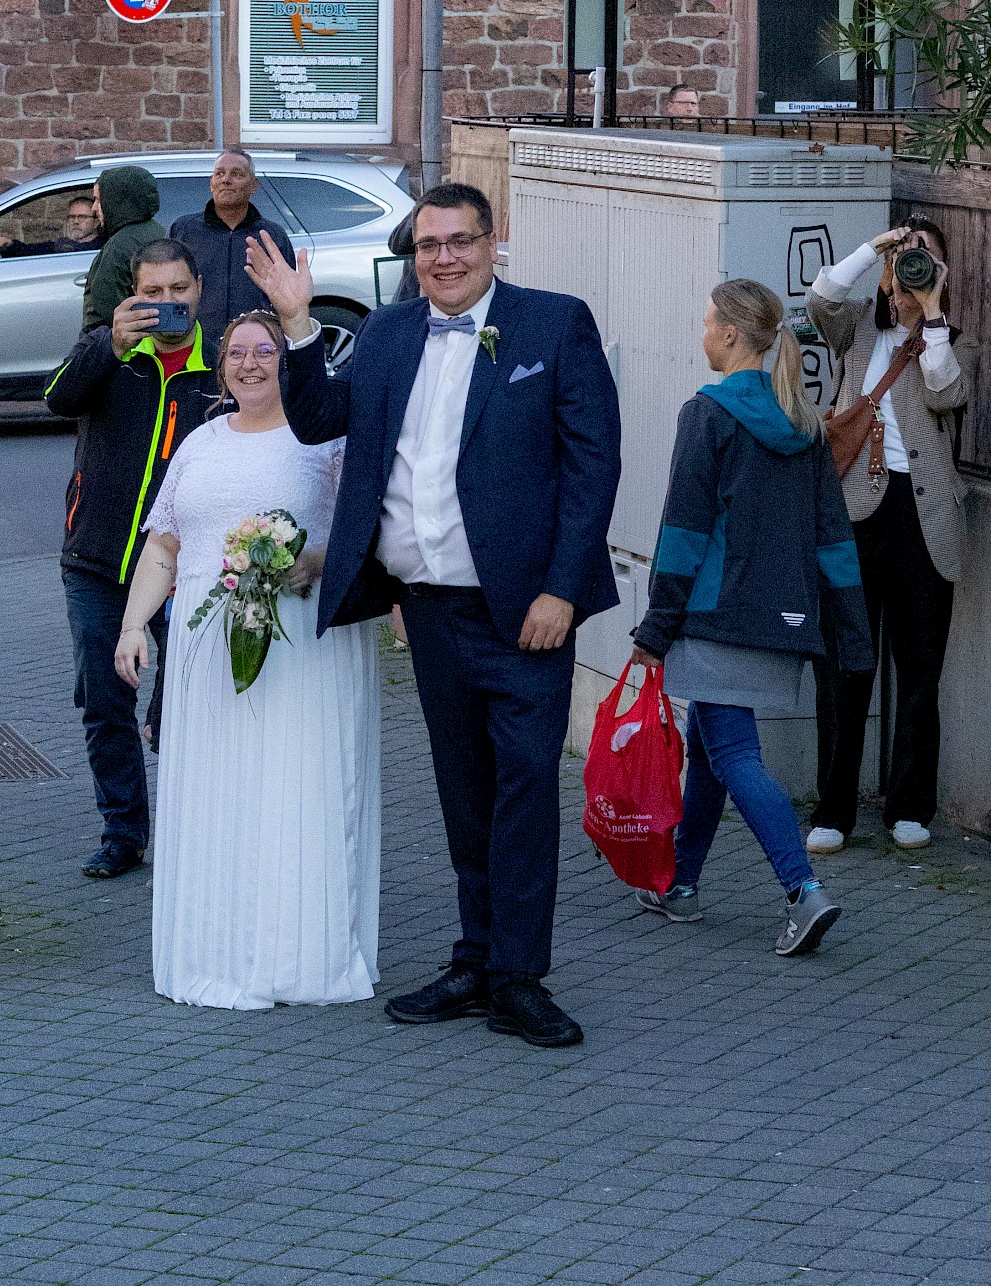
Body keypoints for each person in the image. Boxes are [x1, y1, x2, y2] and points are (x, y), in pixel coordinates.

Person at [246, 181, 621, 1049]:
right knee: (464, 790)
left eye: (459, 241)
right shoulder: (387, 332)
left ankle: (520, 979)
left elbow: (592, 466)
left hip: (526, 612)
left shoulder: (553, 325)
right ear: (413, 257)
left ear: (493, 244)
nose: (444, 258)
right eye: (428, 246)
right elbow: (321, 421)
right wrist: (299, 327)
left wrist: (562, 590)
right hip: (430, 610)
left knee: (525, 787)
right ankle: (478, 957)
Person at [114, 311, 380, 1009]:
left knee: (292, 788)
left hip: (302, 644)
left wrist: (310, 561)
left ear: (288, 361)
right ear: (222, 364)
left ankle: (296, 952)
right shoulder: (198, 444)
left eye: (266, 350)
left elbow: (364, 535)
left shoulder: (323, 441)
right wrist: (134, 625)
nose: (251, 363)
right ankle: (214, 946)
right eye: (237, 352)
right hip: (207, 647)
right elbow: (165, 546)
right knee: (218, 791)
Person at [630, 279, 872, 956]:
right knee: (710, 751)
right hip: (782, 621)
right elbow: (834, 537)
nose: (702, 332)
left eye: (708, 322)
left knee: (734, 754)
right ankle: (679, 883)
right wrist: (852, 635)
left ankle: (803, 891)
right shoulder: (803, 423)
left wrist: (657, 627)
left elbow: (684, 532)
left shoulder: (705, 415)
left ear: (733, 335)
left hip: (713, 618)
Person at [45, 239, 214, 878]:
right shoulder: (114, 351)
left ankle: (188, 825)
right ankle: (125, 833)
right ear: (132, 295)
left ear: (198, 288)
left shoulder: (221, 363)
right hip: (96, 557)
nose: (166, 305)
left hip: (184, 566)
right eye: (152, 293)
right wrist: (107, 347)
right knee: (104, 702)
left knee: (185, 700)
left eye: (178, 291)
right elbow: (57, 398)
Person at [805, 218, 975, 855]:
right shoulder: (856, 333)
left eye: (925, 259)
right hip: (854, 513)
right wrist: (873, 248)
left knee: (920, 673)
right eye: (907, 258)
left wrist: (930, 313)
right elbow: (820, 297)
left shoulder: (953, 341)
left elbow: (948, 392)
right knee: (847, 668)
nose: (912, 268)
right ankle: (834, 809)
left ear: (943, 273)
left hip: (925, 521)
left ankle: (910, 806)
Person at [169, 148, 295, 360]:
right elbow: (169, 292)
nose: (226, 180)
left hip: (255, 352)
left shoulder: (271, 236)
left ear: (253, 185)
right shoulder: (183, 230)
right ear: (211, 183)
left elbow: (288, 298)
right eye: (220, 174)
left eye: (237, 174)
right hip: (196, 349)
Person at [82, 165, 165, 331]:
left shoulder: (119, 248)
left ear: (115, 200)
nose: (94, 208)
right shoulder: (159, 232)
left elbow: (102, 313)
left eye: (99, 200)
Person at [0, 195, 103, 259]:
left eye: (82, 217)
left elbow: (75, 250)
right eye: (72, 217)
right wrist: (9, 243)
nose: (75, 221)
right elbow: (32, 250)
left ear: (96, 222)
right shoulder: (63, 245)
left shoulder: (101, 247)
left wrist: (63, 246)